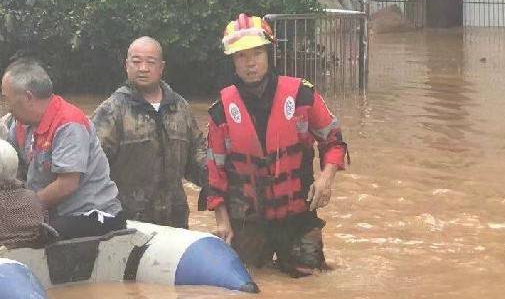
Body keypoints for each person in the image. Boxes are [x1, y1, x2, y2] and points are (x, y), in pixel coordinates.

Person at [204, 14, 348, 277]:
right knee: (248, 287)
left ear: (269, 54)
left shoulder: (303, 95)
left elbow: (334, 142)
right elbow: (215, 174)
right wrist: (222, 221)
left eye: (256, 53)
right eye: (241, 56)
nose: (250, 63)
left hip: (297, 215)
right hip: (247, 221)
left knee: (311, 283)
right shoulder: (220, 113)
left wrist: (327, 178)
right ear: (233, 62)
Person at [1, 59, 124, 239]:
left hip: (90, 214)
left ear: (28, 98)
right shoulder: (19, 124)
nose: (7, 107)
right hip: (51, 211)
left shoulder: (68, 124)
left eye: (7, 99)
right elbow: (11, 170)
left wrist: (24, 209)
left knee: (26, 235)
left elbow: (67, 184)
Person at [92, 36, 207, 227]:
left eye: (150, 62)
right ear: (126, 65)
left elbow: (197, 157)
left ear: (161, 67)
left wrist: (223, 182)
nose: (143, 68)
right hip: (128, 224)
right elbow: (93, 169)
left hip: (175, 223)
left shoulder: (180, 107)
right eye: (136, 62)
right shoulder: (111, 111)